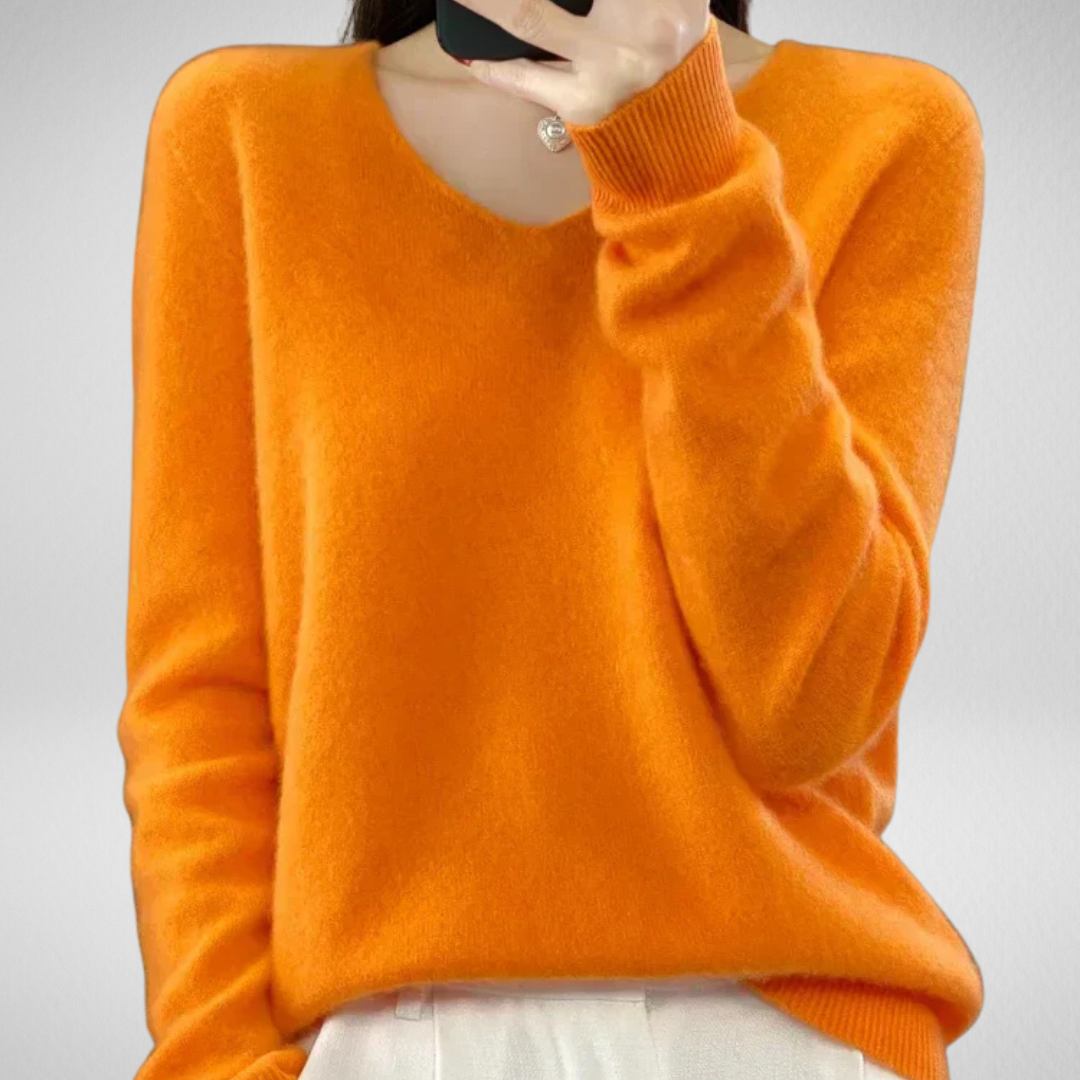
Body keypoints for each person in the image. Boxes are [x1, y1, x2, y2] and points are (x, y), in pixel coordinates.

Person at [117, 1, 986, 1080]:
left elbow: (812, 705)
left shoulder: (890, 128)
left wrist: (682, 167)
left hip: (773, 1026)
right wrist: (215, 1060)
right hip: (388, 1034)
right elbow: (200, 696)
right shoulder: (245, 128)